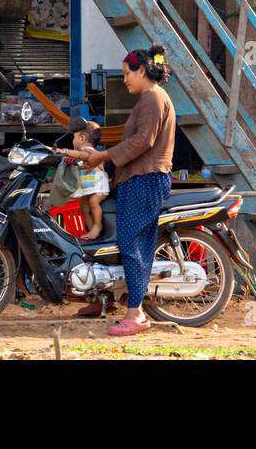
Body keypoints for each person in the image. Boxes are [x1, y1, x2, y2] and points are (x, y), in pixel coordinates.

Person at [76, 44, 175, 336]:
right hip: (137, 179)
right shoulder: (148, 98)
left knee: (132, 246)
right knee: (121, 240)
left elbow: (143, 141)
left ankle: (136, 313)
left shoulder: (154, 99)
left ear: (141, 70)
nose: (124, 79)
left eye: (126, 73)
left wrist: (103, 157)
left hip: (146, 180)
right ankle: (104, 300)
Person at [55, 119, 110, 240]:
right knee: (83, 206)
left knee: (93, 202)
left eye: (74, 137)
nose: (73, 141)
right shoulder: (84, 153)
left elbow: (81, 156)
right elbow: (77, 161)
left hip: (99, 188)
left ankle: (97, 227)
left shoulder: (89, 152)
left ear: (82, 139)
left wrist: (65, 151)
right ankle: (91, 232)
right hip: (89, 187)